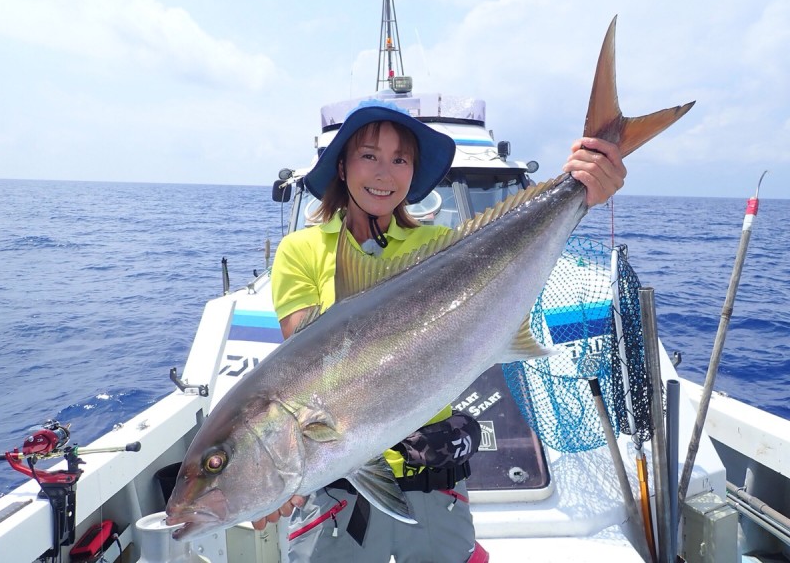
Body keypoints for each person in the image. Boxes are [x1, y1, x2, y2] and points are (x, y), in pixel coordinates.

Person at [253, 99, 626, 562]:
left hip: (435, 484)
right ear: (343, 166)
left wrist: (582, 193)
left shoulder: (440, 245)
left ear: (413, 174)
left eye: (400, 159)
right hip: (336, 492)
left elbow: (513, 270)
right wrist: (276, 472)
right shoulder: (301, 251)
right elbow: (307, 371)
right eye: (369, 155)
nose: (384, 173)